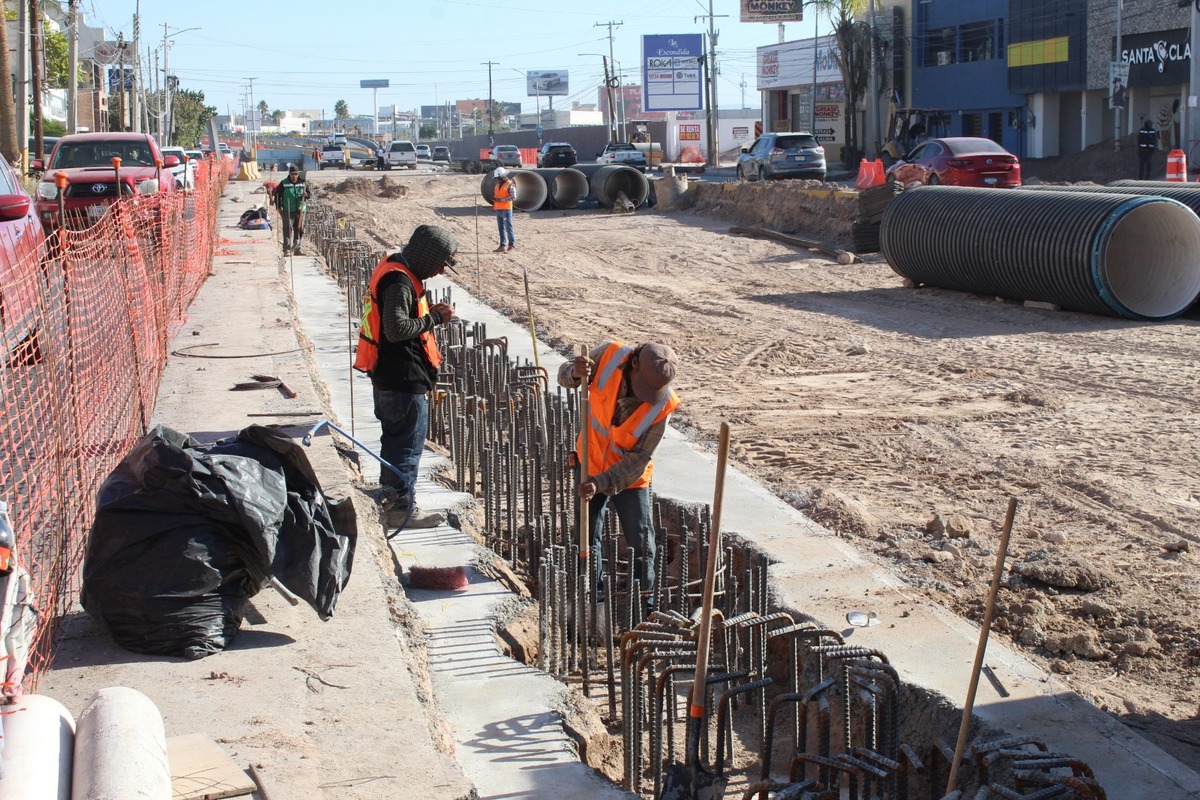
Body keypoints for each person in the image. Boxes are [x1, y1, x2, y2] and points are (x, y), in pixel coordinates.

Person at [558, 341, 681, 611]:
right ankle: (593, 599)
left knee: (641, 543)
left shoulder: (663, 406)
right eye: (643, 389)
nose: (644, 397)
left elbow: (638, 459)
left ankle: (644, 608)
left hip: (630, 479)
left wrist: (600, 483)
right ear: (633, 363)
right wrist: (576, 373)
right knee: (587, 536)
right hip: (589, 461)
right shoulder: (611, 355)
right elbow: (564, 374)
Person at [354, 225, 459, 529]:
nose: (441, 270)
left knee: (395, 442)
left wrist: (429, 318)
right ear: (427, 257)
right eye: (441, 263)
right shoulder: (399, 280)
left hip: (389, 376)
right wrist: (435, 318)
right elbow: (396, 329)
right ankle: (401, 509)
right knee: (407, 448)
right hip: (401, 380)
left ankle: (392, 500)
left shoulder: (397, 269)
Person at [272, 165, 310, 255]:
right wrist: (278, 208)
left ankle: (297, 249)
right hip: (288, 210)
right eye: (292, 174)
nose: (294, 176)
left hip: (300, 210)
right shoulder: (284, 183)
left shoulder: (302, 183)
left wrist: (306, 195)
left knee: (299, 229)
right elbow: (277, 196)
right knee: (287, 229)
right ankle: (287, 249)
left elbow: (309, 194)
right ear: (289, 174)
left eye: (296, 174)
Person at [492, 167, 516, 252]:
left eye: (498, 179)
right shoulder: (497, 185)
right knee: (501, 228)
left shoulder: (510, 185)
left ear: (502, 177)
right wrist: (495, 199)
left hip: (506, 209)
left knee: (508, 228)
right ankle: (502, 246)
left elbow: (513, 197)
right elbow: (498, 195)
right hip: (499, 209)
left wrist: (501, 200)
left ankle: (511, 245)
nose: (497, 180)